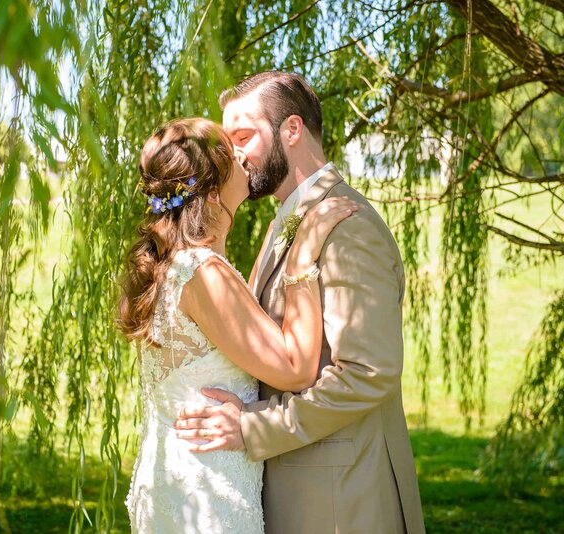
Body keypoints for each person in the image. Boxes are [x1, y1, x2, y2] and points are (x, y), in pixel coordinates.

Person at [174, 71, 425, 533]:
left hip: (341, 502)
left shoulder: (348, 227)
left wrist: (252, 427)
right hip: (302, 492)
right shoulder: (284, 223)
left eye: (243, 137)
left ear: (291, 130)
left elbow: (369, 373)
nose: (232, 156)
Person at [117, 117, 357, 533]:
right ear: (212, 193)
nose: (243, 155)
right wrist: (301, 263)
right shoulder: (201, 271)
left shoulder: (175, 264)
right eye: (230, 152)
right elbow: (296, 368)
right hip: (206, 493)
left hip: (180, 477)